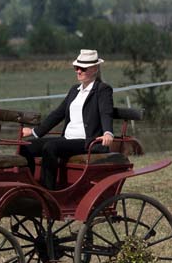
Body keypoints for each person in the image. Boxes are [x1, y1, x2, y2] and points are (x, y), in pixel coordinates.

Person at [20, 49, 114, 190]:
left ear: (94, 69)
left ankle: (47, 192)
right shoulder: (74, 90)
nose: (78, 71)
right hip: (68, 139)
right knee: (26, 147)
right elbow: (58, 113)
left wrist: (108, 133)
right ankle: (30, 187)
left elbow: (106, 113)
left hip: (86, 141)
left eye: (83, 68)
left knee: (50, 147)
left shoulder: (103, 90)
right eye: (76, 67)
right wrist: (34, 132)